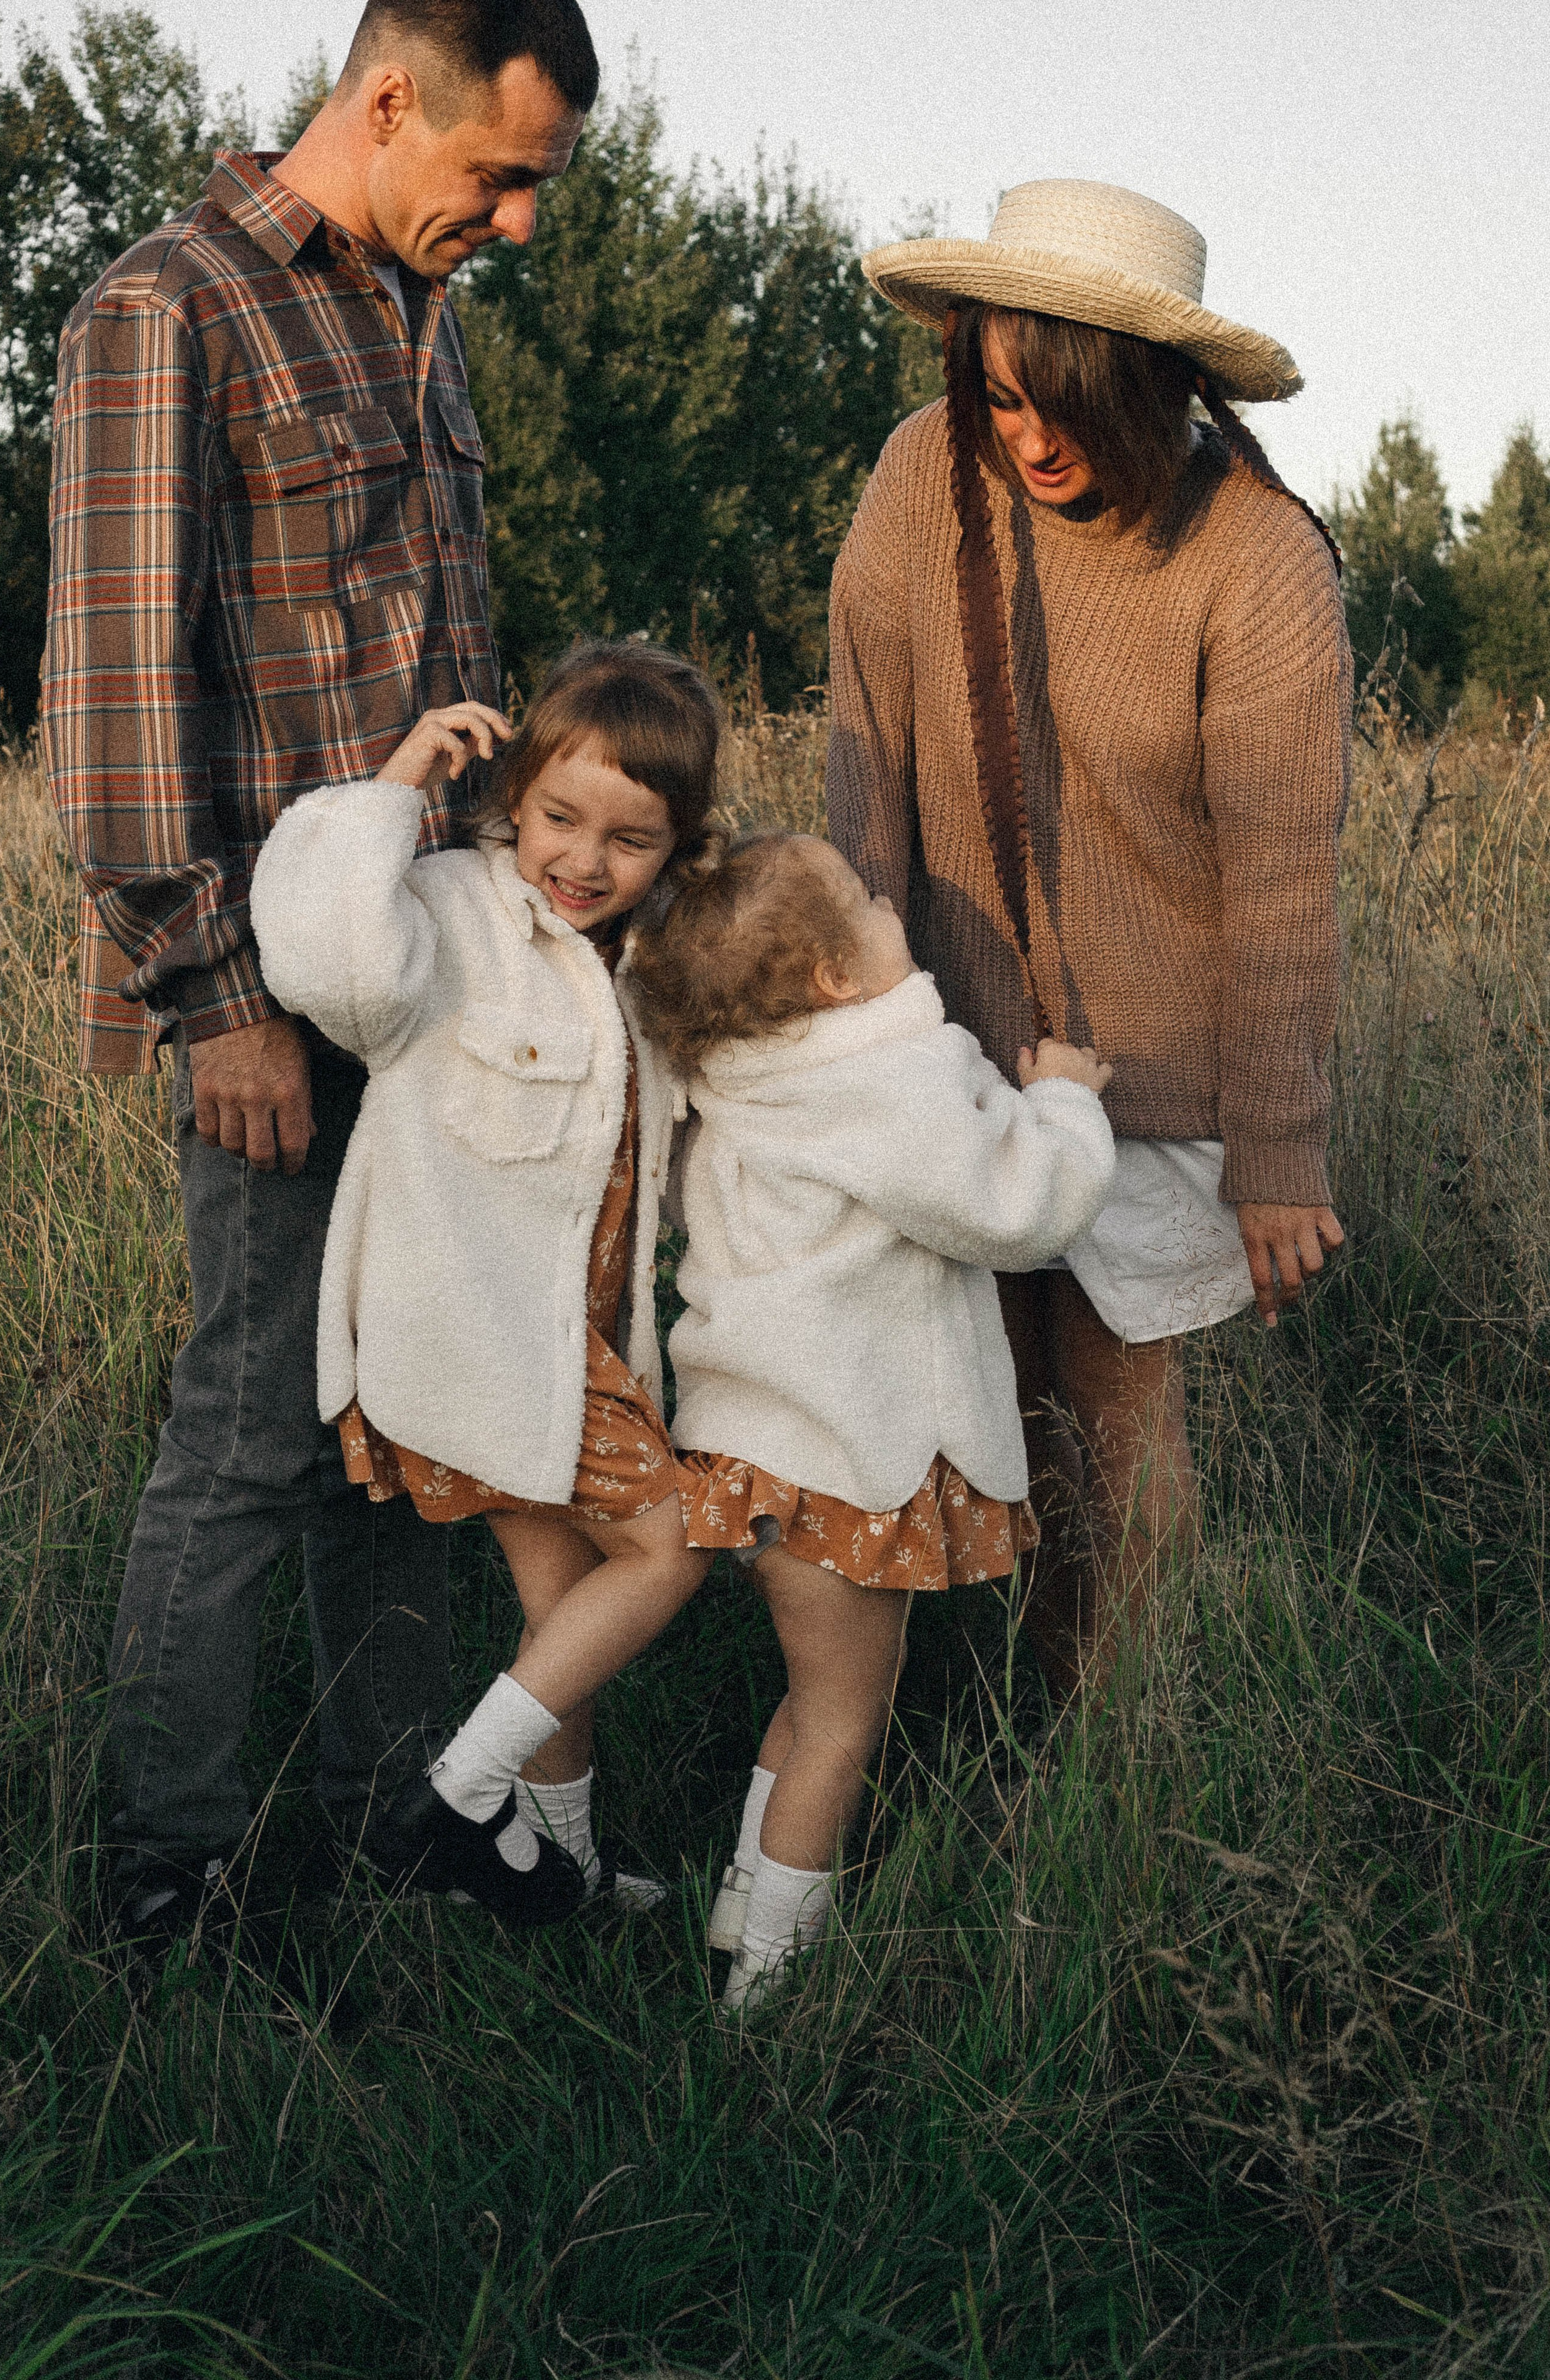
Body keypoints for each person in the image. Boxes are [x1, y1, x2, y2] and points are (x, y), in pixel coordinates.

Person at [41, 0, 599, 1945]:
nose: (521, 223)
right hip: (271, 1005)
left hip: (432, 991)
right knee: (251, 1440)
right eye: (502, 174)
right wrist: (216, 1003)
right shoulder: (168, 309)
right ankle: (168, 1883)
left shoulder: (417, 326)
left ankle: (400, 1831)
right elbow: (113, 713)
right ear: (386, 100)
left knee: (404, 1434)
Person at [827, 179, 1353, 1709]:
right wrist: (854, 1039)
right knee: (971, 1414)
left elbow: (1279, 886)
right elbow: (864, 767)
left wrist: (1278, 1151)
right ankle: (957, 1739)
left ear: (1163, 390)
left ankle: (1117, 1774)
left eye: (1067, 405)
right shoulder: (922, 476)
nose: (1031, 439)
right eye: (999, 396)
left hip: (1159, 1083)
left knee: (1112, 1424)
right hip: (944, 1052)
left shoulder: (1256, 561)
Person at [250, 641, 722, 1922]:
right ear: (512, 796)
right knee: (671, 1547)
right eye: (558, 818)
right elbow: (328, 964)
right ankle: (454, 1801)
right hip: (473, 1334)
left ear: (676, 849)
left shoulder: (646, 961)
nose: (581, 860)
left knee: (564, 1603)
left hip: (576, 1345)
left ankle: (552, 1874)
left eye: (629, 839)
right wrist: (397, 787)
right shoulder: (456, 908)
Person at [627, 833, 1116, 2007]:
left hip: (756, 1451)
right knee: (847, 1725)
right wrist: (1061, 1099)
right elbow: (1012, 1207)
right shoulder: (878, 1079)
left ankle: (744, 1906)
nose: (894, 903)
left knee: (810, 1701)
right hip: (841, 1461)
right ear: (839, 981)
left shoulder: (749, 1080)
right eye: (869, 903)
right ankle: (772, 1991)